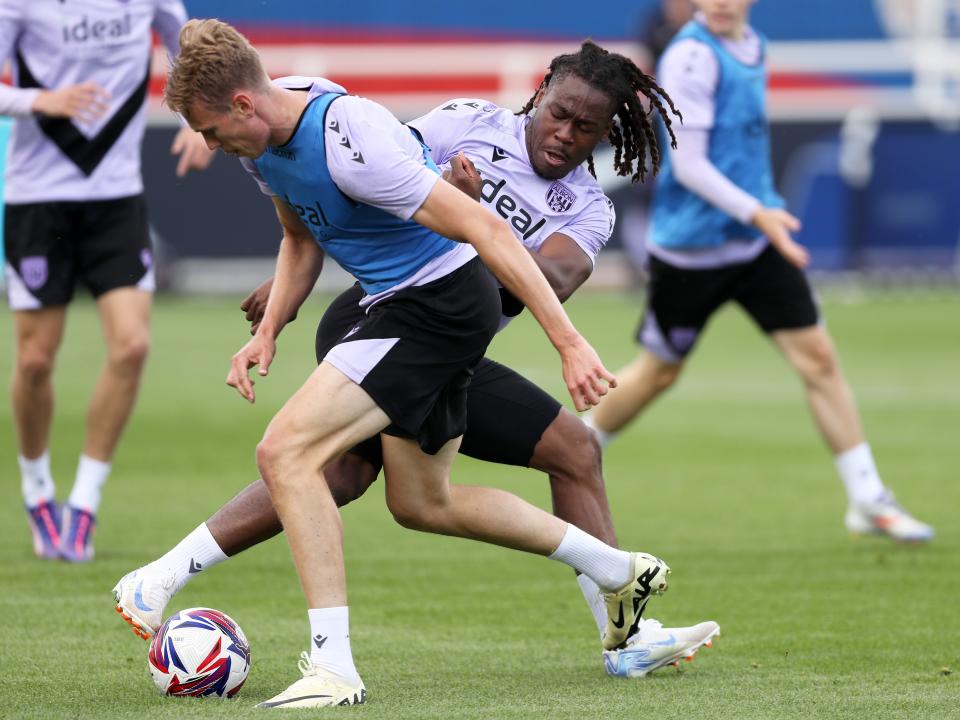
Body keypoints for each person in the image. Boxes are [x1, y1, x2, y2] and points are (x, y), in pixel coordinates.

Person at [113, 39, 720, 680]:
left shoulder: (590, 209)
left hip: (449, 334)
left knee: (452, 483)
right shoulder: (465, 121)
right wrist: (281, 305)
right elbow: (369, 182)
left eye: (587, 129)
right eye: (561, 114)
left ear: (604, 137)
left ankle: (621, 610)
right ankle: (189, 591)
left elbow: (543, 279)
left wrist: (467, 211)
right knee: (319, 464)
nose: (566, 135)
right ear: (539, 93)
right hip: (393, 318)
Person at [584, 0, 934, 543]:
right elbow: (692, 165)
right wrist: (758, 211)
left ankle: (868, 498)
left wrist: (760, 212)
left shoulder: (754, 45)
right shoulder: (691, 58)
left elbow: (742, 145)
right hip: (692, 251)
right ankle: (579, 449)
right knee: (659, 372)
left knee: (818, 358)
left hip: (753, 242)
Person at [1, 0, 214, 562]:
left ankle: (85, 503)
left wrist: (201, 119)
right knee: (35, 361)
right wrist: (37, 100)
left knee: (133, 344)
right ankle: (37, 488)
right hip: (38, 202)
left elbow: (191, 49)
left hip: (115, 200)